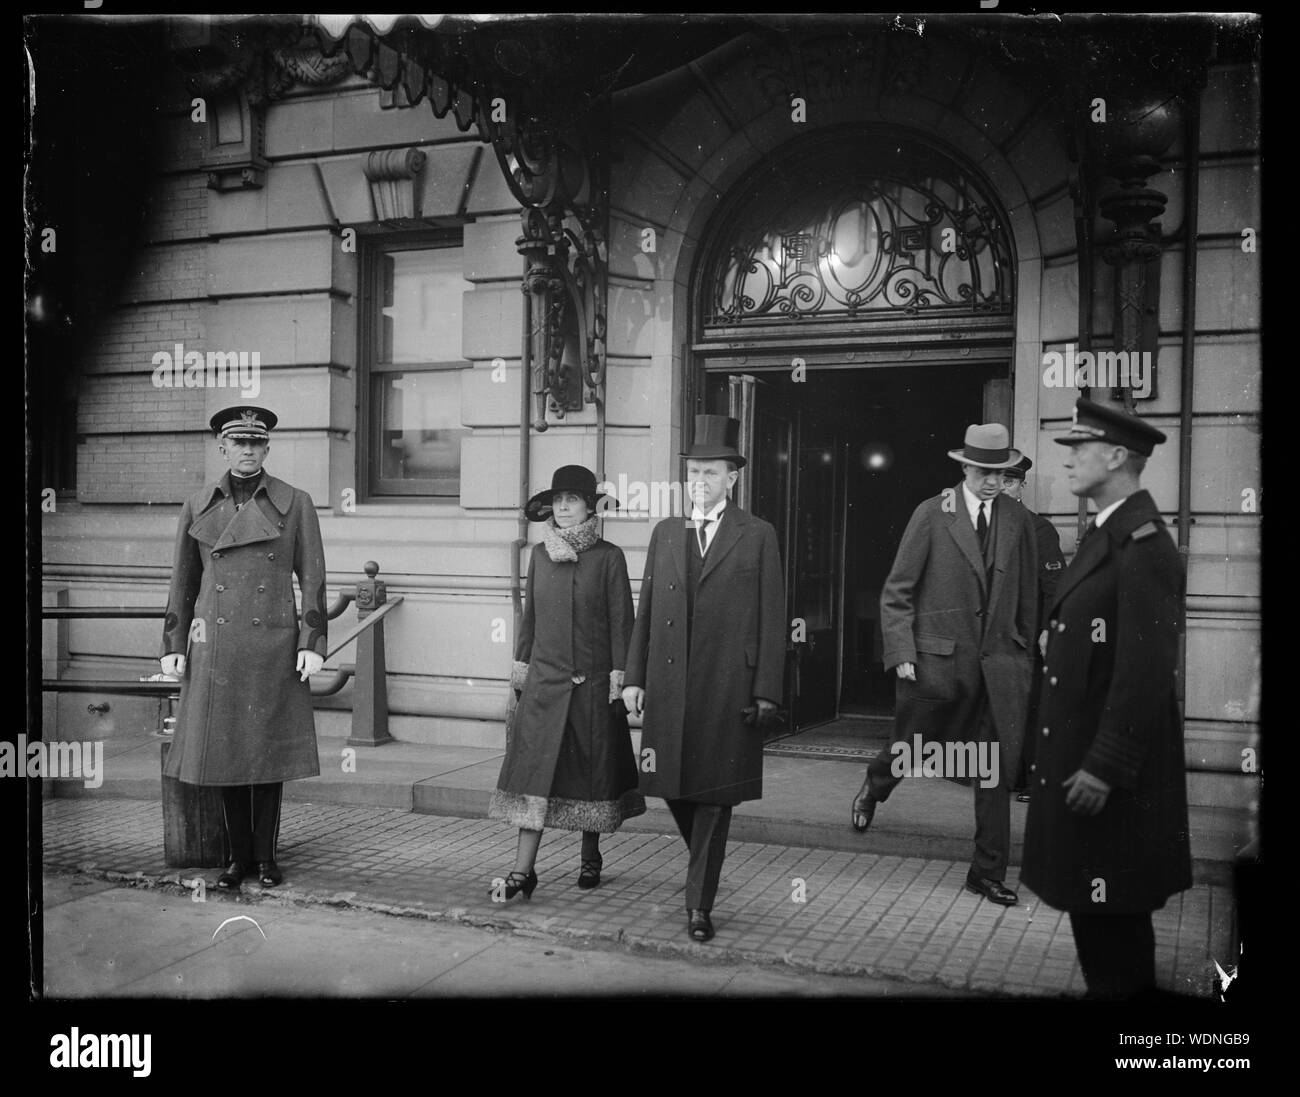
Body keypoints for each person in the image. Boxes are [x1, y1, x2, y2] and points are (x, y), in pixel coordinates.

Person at [1022, 398, 1192, 998]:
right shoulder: (1108, 534)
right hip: (1084, 772)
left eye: (1078, 448)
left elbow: (1145, 675)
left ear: (1118, 455)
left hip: (1111, 785)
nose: (1066, 460)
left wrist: (1102, 767)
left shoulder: (1143, 546)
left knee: (1116, 939)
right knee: (1101, 931)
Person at [851, 423, 1038, 906]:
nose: (993, 481)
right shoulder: (933, 514)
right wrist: (902, 652)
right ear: (964, 468)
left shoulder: (1019, 519)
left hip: (998, 666)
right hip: (936, 662)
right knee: (912, 747)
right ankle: (875, 788)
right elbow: (897, 592)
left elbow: (1029, 594)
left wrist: (1022, 654)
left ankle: (986, 871)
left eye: (1001, 472)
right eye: (983, 471)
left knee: (991, 769)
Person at [623, 415, 785, 942]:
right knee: (670, 785)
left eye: (711, 473)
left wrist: (766, 690)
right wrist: (633, 676)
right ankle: (705, 864)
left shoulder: (757, 534)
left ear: (731, 478)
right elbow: (645, 609)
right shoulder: (666, 533)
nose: (700, 482)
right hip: (670, 687)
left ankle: (699, 905)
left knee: (715, 796)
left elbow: (772, 616)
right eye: (694, 472)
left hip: (726, 687)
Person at [160, 406, 327, 891]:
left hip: (271, 644)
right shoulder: (197, 505)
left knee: (266, 756)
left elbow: (313, 576)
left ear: (267, 449)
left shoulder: (295, 502)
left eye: (257, 443)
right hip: (216, 648)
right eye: (239, 443)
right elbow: (182, 582)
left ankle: (266, 858)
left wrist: (312, 640)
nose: (248, 451)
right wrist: (173, 642)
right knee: (226, 754)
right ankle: (236, 859)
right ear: (223, 447)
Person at [488, 465, 645, 900]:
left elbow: (622, 624)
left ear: (589, 506)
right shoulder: (538, 556)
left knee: (590, 778)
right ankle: (523, 871)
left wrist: (622, 680)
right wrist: (520, 675)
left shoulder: (610, 557)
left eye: (572, 500)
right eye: (557, 501)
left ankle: (590, 858)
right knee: (533, 779)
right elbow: (530, 623)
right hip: (543, 687)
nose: (563, 508)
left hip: (593, 691)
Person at [999, 456, 1065, 801]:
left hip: (1027, 636)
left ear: (1022, 486)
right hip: (995, 638)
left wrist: (1047, 630)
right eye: (996, 480)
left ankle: (1031, 780)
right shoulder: (982, 528)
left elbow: (1055, 585)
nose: (1002, 488)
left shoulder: (1038, 529)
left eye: (1010, 481)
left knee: (1032, 708)